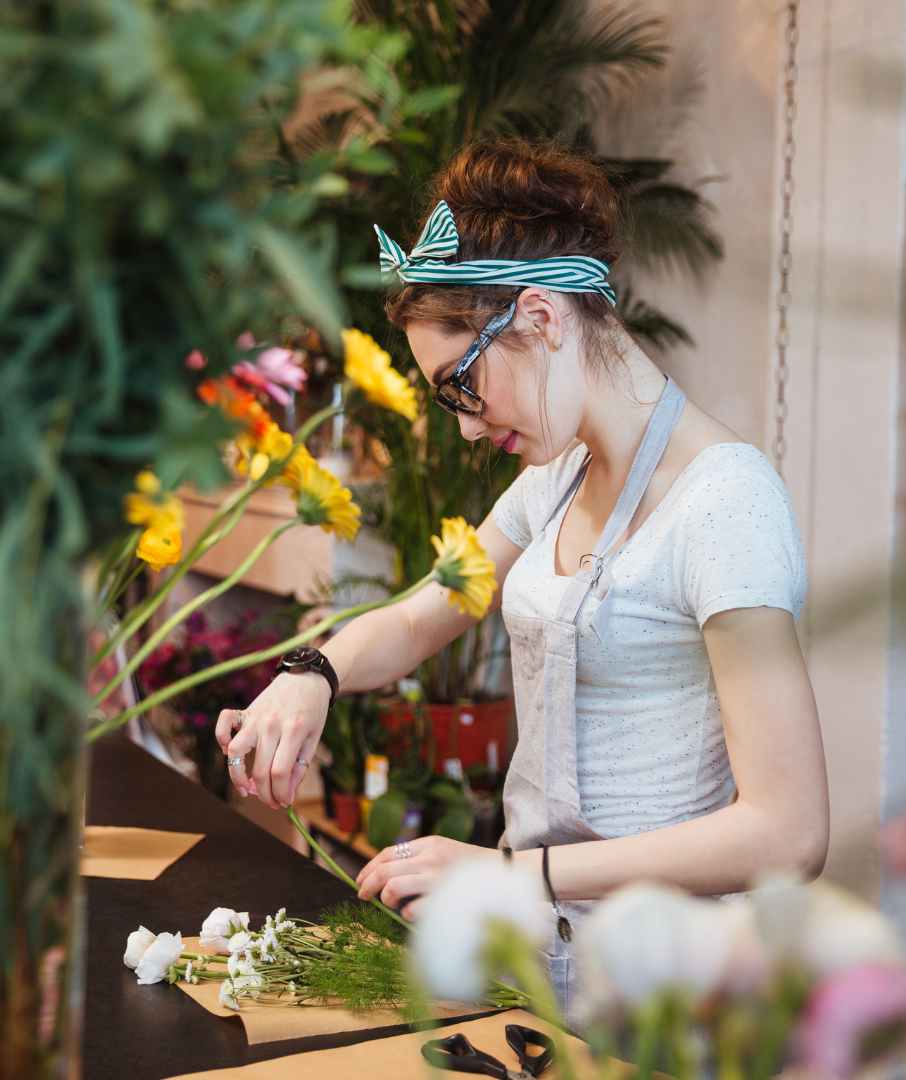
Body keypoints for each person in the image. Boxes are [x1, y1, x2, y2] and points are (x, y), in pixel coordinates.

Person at [217, 138, 828, 1012]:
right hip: (538, 952)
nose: (466, 428)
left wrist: (516, 875)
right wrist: (311, 676)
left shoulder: (725, 505)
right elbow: (425, 615)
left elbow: (790, 830)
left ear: (539, 318)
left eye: (462, 385)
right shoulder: (556, 477)